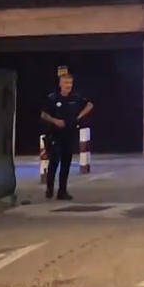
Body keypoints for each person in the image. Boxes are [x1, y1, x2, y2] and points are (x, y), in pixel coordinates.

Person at [40, 72, 93, 201]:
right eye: (65, 83)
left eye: (70, 83)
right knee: (54, 161)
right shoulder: (53, 98)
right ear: (60, 84)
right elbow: (43, 114)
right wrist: (55, 121)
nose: (68, 85)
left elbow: (90, 105)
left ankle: (62, 191)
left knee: (66, 163)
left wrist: (79, 116)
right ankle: (50, 188)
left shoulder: (76, 97)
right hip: (55, 135)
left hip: (69, 134)